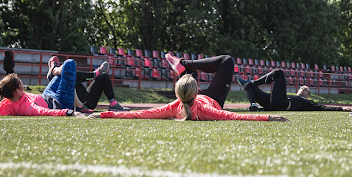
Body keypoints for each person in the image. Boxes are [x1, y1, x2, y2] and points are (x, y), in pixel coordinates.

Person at [89, 73, 288, 122]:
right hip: (213, 99)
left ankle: (184, 66)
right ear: (197, 90)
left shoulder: (173, 106)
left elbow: (140, 114)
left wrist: (104, 115)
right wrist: (270, 117)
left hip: (193, 102)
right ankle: (185, 65)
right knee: (227, 61)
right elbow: (235, 116)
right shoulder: (207, 110)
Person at [237, 69, 351, 112]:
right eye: (302, 87)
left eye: (306, 89)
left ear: (308, 95)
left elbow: (322, 107)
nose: (303, 89)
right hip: (270, 102)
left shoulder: (307, 103)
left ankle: (254, 82)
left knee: (279, 73)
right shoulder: (290, 95)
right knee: (248, 86)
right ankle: (253, 105)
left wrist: (341, 108)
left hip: (282, 104)